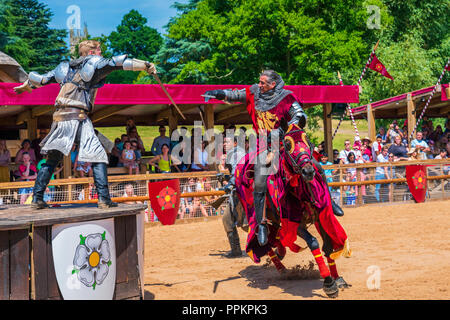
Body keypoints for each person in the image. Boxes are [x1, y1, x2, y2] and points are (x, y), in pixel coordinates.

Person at [204, 70, 344, 247]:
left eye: (263, 83)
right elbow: (236, 94)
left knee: (315, 166)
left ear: (273, 84)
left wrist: (286, 129)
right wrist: (217, 94)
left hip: (287, 142)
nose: (259, 85)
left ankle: (329, 201)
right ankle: (261, 223)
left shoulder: (286, 97)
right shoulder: (255, 92)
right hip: (264, 145)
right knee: (260, 177)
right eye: (260, 82)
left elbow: (300, 115)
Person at [13, 39, 156, 209]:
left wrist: (26, 86)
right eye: (99, 50)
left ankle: (37, 198)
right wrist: (145, 66)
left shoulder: (64, 68)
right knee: (98, 156)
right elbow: (116, 63)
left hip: (60, 118)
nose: (101, 53)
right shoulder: (93, 62)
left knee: (52, 159)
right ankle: (103, 199)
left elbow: (41, 79)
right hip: (78, 116)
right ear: (91, 53)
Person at [221, 135, 247, 258]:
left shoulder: (237, 153)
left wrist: (230, 182)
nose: (224, 144)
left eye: (227, 142)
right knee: (227, 219)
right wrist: (226, 178)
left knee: (247, 224)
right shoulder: (233, 153)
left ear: (235, 143)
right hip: (235, 192)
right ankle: (236, 250)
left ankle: (266, 247)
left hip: (243, 193)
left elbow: (239, 171)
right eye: (223, 143)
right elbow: (233, 172)